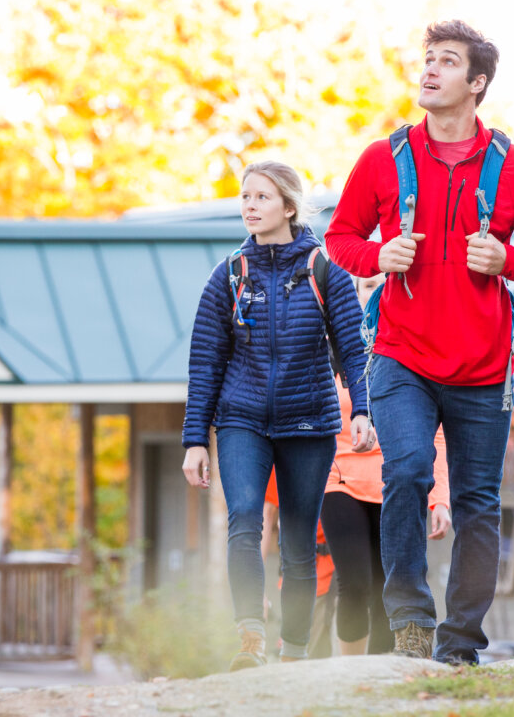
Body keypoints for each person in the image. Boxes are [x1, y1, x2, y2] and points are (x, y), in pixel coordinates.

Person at [324, 20, 514, 665]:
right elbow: (341, 237)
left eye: (447, 61)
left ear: (477, 82)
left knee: (477, 505)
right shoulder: (384, 158)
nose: (429, 70)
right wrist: (381, 254)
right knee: (404, 470)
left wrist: (506, 261)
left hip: (485, 367)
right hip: (401, 355)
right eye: (427, 59)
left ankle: (460, 643)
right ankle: (409, 619)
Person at [181, 160, 373, 670]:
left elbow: (352, 347)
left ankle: (292, 653)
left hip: (309, 422)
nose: (250, 206)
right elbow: (205, 361)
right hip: (241, 419)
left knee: (296, 542)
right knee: (243, 520)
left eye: (262, 198)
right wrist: (194, 439)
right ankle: (249, 640)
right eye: (245, 197)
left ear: (288, 207)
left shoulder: (325, 272)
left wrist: (362, 409)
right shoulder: (228, 277)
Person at [321, 274, 452, 657]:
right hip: (338, 481)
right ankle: (349, 671)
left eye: (386, 283)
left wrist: (439, 497)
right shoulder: (332, 350)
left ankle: (380, 674)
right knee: (355, 582)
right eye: (368, 285)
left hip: (393, 482)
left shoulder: (416, 352)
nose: (377, 291)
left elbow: (435, 435)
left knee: (387, 586)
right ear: (355, 293)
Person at [261, 471, 336, 659]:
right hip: (292, 569)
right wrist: (257, 584)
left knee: (317, 646)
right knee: (290, 644)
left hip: (332, 569)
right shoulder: (280, 461)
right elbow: (266, 515)